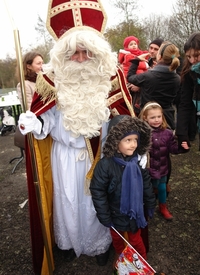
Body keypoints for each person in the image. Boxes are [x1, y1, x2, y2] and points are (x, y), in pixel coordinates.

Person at [18, 28, 135, 274]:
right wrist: (33, 122)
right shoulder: (50, 79)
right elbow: (45, 120)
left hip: (101, 156)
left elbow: (124, 120)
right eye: (74, 53)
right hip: (64, 156)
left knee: (97, 201)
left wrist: (134, 148)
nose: (81, 59)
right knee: (67, 200)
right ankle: (70, 243)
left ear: (96, 53)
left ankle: (100, 245)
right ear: (64, 54)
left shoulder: (110, 76)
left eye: (86, 52)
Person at [90, 115, 156, 269]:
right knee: (118, 239)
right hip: (115, 212)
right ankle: (121, 259)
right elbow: (98, 191)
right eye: (128, 140)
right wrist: (104, 215)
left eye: (135, 139)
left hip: (135, 213)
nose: (133, 144)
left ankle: (142, 263)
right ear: (115, 141)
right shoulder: (105, 165)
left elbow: (146, 184)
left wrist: (151, 203)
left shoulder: (138, 162)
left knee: (136, 240)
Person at [139, 102, 189, 220]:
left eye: (159, 116)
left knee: (162, 188)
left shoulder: (167, 133)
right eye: (152, 117)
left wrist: (182, 147)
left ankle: (163, 207)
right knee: (148, 189)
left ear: (162, 116)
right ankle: (146, 208)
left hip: (162, 167)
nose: (156, 120)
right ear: (145, 118)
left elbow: (172, 148)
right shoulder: (142, 133)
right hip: (148, 169)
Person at [127, 41, 181, 130]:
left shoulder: (148, 76)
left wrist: (136, 61)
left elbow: (130, 77)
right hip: (167, 119)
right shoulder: (177, 78)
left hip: (149, 120)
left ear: (159, 56)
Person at [176, 32, 200, 149]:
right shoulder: (189, 73)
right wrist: (182, 133)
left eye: (196, 55)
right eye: (189, 57)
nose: (192, 60)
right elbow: (185, 103)